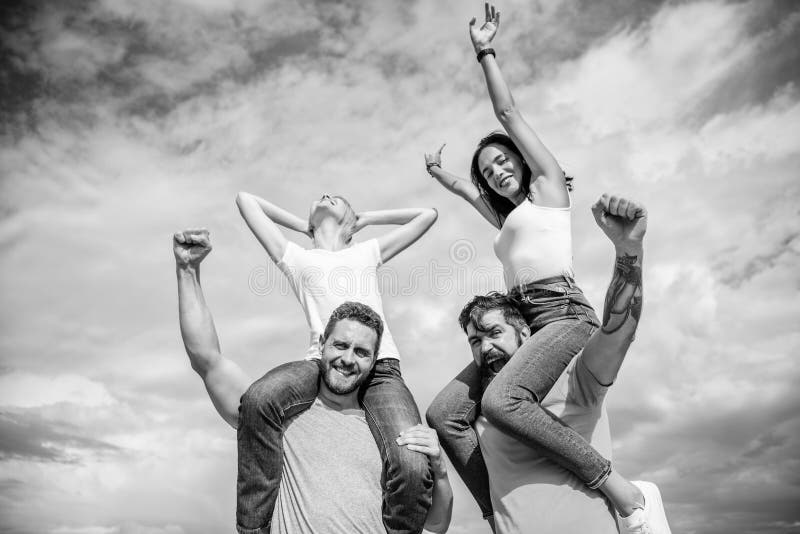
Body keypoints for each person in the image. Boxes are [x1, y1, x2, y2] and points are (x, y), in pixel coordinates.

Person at [425, 4, 660, 527]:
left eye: (503, 160)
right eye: (489, 171)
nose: (498, 171)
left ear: (522, 159)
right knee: (445, 413)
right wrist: (443, 176)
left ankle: (618, 488)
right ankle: (498, 513)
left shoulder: (547, 192)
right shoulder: (506, 219)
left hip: (564, 313)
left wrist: (484, 51)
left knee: (503, 401)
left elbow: (507, 114)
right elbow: (469, 192)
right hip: (525, 319)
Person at [174, 231, 453, 534]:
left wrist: (439, 471)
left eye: (361, 352)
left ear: (375, 360)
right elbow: (207, 359)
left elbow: (435, 526)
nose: (348, 359)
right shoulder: (278, 416)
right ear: (322, 345)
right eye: (340, 346)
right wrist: (188, 271)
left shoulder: (389, 434)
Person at [457, 195, 671, 533]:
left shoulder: (575, 379)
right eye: (474, 340)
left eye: (495, 332)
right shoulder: (478, 411)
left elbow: (620, 327)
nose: (485, 347)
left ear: (526, 331)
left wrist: (628, 250)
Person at [232, 192, 438, 533]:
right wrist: (305, 227)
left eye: (338, 199)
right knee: (258, 399)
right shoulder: (296, 257)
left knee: (413, 464)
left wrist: (366, 218)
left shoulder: (366, 251)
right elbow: (246, 200)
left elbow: (427, 215)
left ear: (351, 221)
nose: (326, 195)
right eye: (319, 199)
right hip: (319, 364)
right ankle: (253, 528)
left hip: (381, 366)